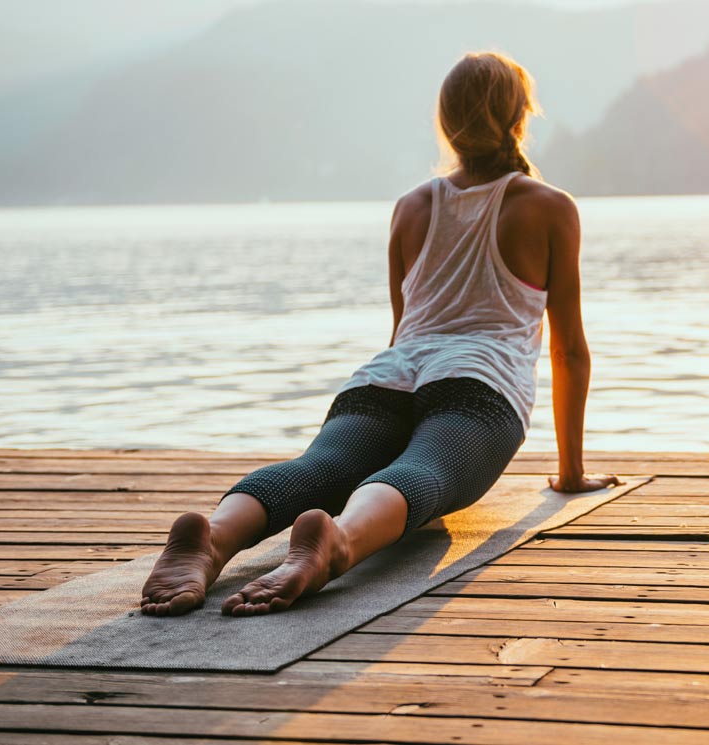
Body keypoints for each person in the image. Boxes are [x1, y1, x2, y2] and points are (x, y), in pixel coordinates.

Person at [141, 50, 620, 618]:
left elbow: (403, 327)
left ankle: (215, 535)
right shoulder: (548, 207)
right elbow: (567, 349)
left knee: (316, 470)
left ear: (447, 124)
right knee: (422, 473)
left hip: (386, 377)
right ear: (520, 118)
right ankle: (338, 541)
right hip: (478, 386)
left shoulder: (412, 206)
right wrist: (568, 474)